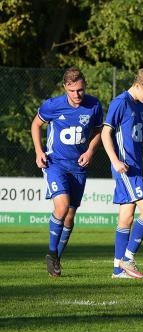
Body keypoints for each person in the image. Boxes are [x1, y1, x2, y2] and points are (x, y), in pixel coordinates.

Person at [31, 67, 103, 277]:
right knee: (61, 208)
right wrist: (38, 151)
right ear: (65, 88)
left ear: (84, 87)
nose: (77, 95)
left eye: (80, 90)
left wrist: (90, 151)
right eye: (72, 91)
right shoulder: (53, 105)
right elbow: (36, 125)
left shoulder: (94, 105)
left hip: (78, 167)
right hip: (55, 163)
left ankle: (56, 259)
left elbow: (99, 131)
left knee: (70, 217)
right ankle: (51, 254)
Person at [101, 68, 143, 279]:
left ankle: (117, 270)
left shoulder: (141, 106)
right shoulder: (120, 102)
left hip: (136, 167)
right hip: (126, 168)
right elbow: (105, 133)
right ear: (138, 85)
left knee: (126, 217)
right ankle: (127, 258)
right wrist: (115, 161)